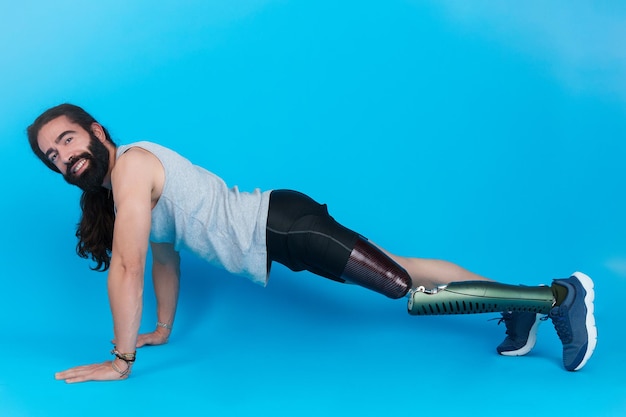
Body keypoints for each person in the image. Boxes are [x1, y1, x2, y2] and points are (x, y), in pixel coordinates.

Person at [27, 103, 597, 383]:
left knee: (404, 287)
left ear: (98, 132)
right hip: (282, 230)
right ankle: (517, 311)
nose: (63, 156)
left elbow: (125, 267)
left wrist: (121, 360)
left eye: (68, 138)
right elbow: (163, 256)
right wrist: (163, 330)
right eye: (52, 155)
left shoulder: (131, 168)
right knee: (406, 268)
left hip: (285, 226)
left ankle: (558, 298)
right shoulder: (121, 189)